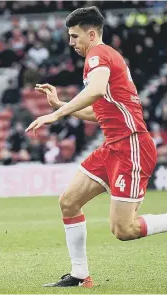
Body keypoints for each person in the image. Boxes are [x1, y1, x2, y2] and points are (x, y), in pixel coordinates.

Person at [26, 6, 167, 287]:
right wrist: (61, 105)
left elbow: (96, 91)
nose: (71, 42)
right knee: (69, 202)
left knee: (124, 229)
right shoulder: (103, 58)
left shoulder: (98, 55)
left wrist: (56, 114)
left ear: (91, 34)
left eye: (75, 36)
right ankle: (80, 275)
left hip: (131, 146)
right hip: (113, 146)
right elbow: (98, 112)